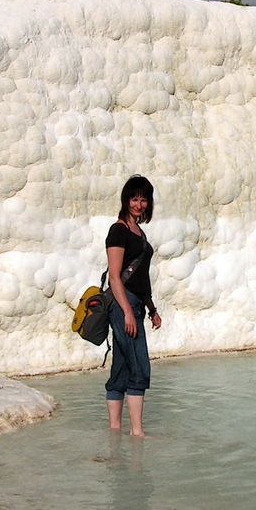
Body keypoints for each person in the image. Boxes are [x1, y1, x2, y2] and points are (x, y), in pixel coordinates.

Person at [105, 174, 163, 435]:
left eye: (144, 199)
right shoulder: (118, 230)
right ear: (125, 200)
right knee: (139, 366)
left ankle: (115, 431)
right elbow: (115, 276)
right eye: (134, 199)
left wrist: (151, 308)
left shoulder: (138, 231)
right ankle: (137, 432)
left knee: (121, 368)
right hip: (123, 305)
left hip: (137, 304)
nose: (139, 204)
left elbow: (140, 276)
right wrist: (128, 313)